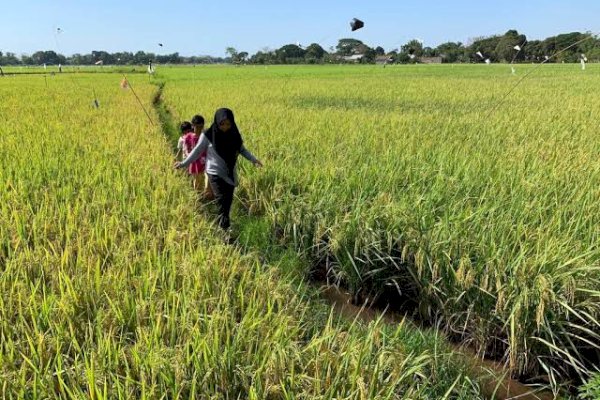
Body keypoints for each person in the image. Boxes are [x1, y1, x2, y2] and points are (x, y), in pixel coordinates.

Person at [175, 108, 263, 231]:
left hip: (229, 172)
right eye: (222, 124)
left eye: (228, 124)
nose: (225, 127)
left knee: (228, 199)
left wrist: (254, 159)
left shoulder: (234, 135)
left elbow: (242, 150)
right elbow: (197, 151)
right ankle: (224, 228)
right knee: (221, 198)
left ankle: (223, 222)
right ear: (217, 122)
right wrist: (183, 163)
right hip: (214, 172)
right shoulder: (208, 135)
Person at [191, 114, 214, 199]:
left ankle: (209, 194)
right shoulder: (191, 138)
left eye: (201, 127)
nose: (199, 129)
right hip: (196, 164)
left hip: (207, 162)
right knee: (198, 182)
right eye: (197, 127)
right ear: (192, 126)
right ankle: (199, 198)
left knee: (209, 179)